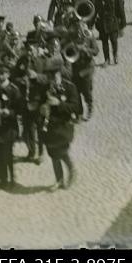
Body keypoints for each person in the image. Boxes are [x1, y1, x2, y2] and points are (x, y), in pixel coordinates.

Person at [41, 61, 82, 190]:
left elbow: (76, 107)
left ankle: (71, 171)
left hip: (64, 126)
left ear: (59, 74)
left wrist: (59, 103)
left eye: (54, 76)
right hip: (50, 126)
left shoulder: (70, 87)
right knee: (53, 153)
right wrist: (42, 108)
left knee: (62, 151)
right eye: (49, 77)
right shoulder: (47, 88)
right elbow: (40, 104)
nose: (52, 79)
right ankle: (58, 180)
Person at [0, 62, 24, 190]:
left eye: (3, 74)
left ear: (8, 74)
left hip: (8, 127)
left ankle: (12, 177)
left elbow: (19, 108)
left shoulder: (14, 89)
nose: (1, 76)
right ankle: (2, 178)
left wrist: (10, 112)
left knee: (7, 153)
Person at [93, 0, 123, 65]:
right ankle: (107, 59)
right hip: (103, 23)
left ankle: (115, 56)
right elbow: (96, 10)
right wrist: (91, 23)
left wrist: (122, 24)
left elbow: (121, 11)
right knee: (104, 42)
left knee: (114, 40)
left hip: (113, 22)